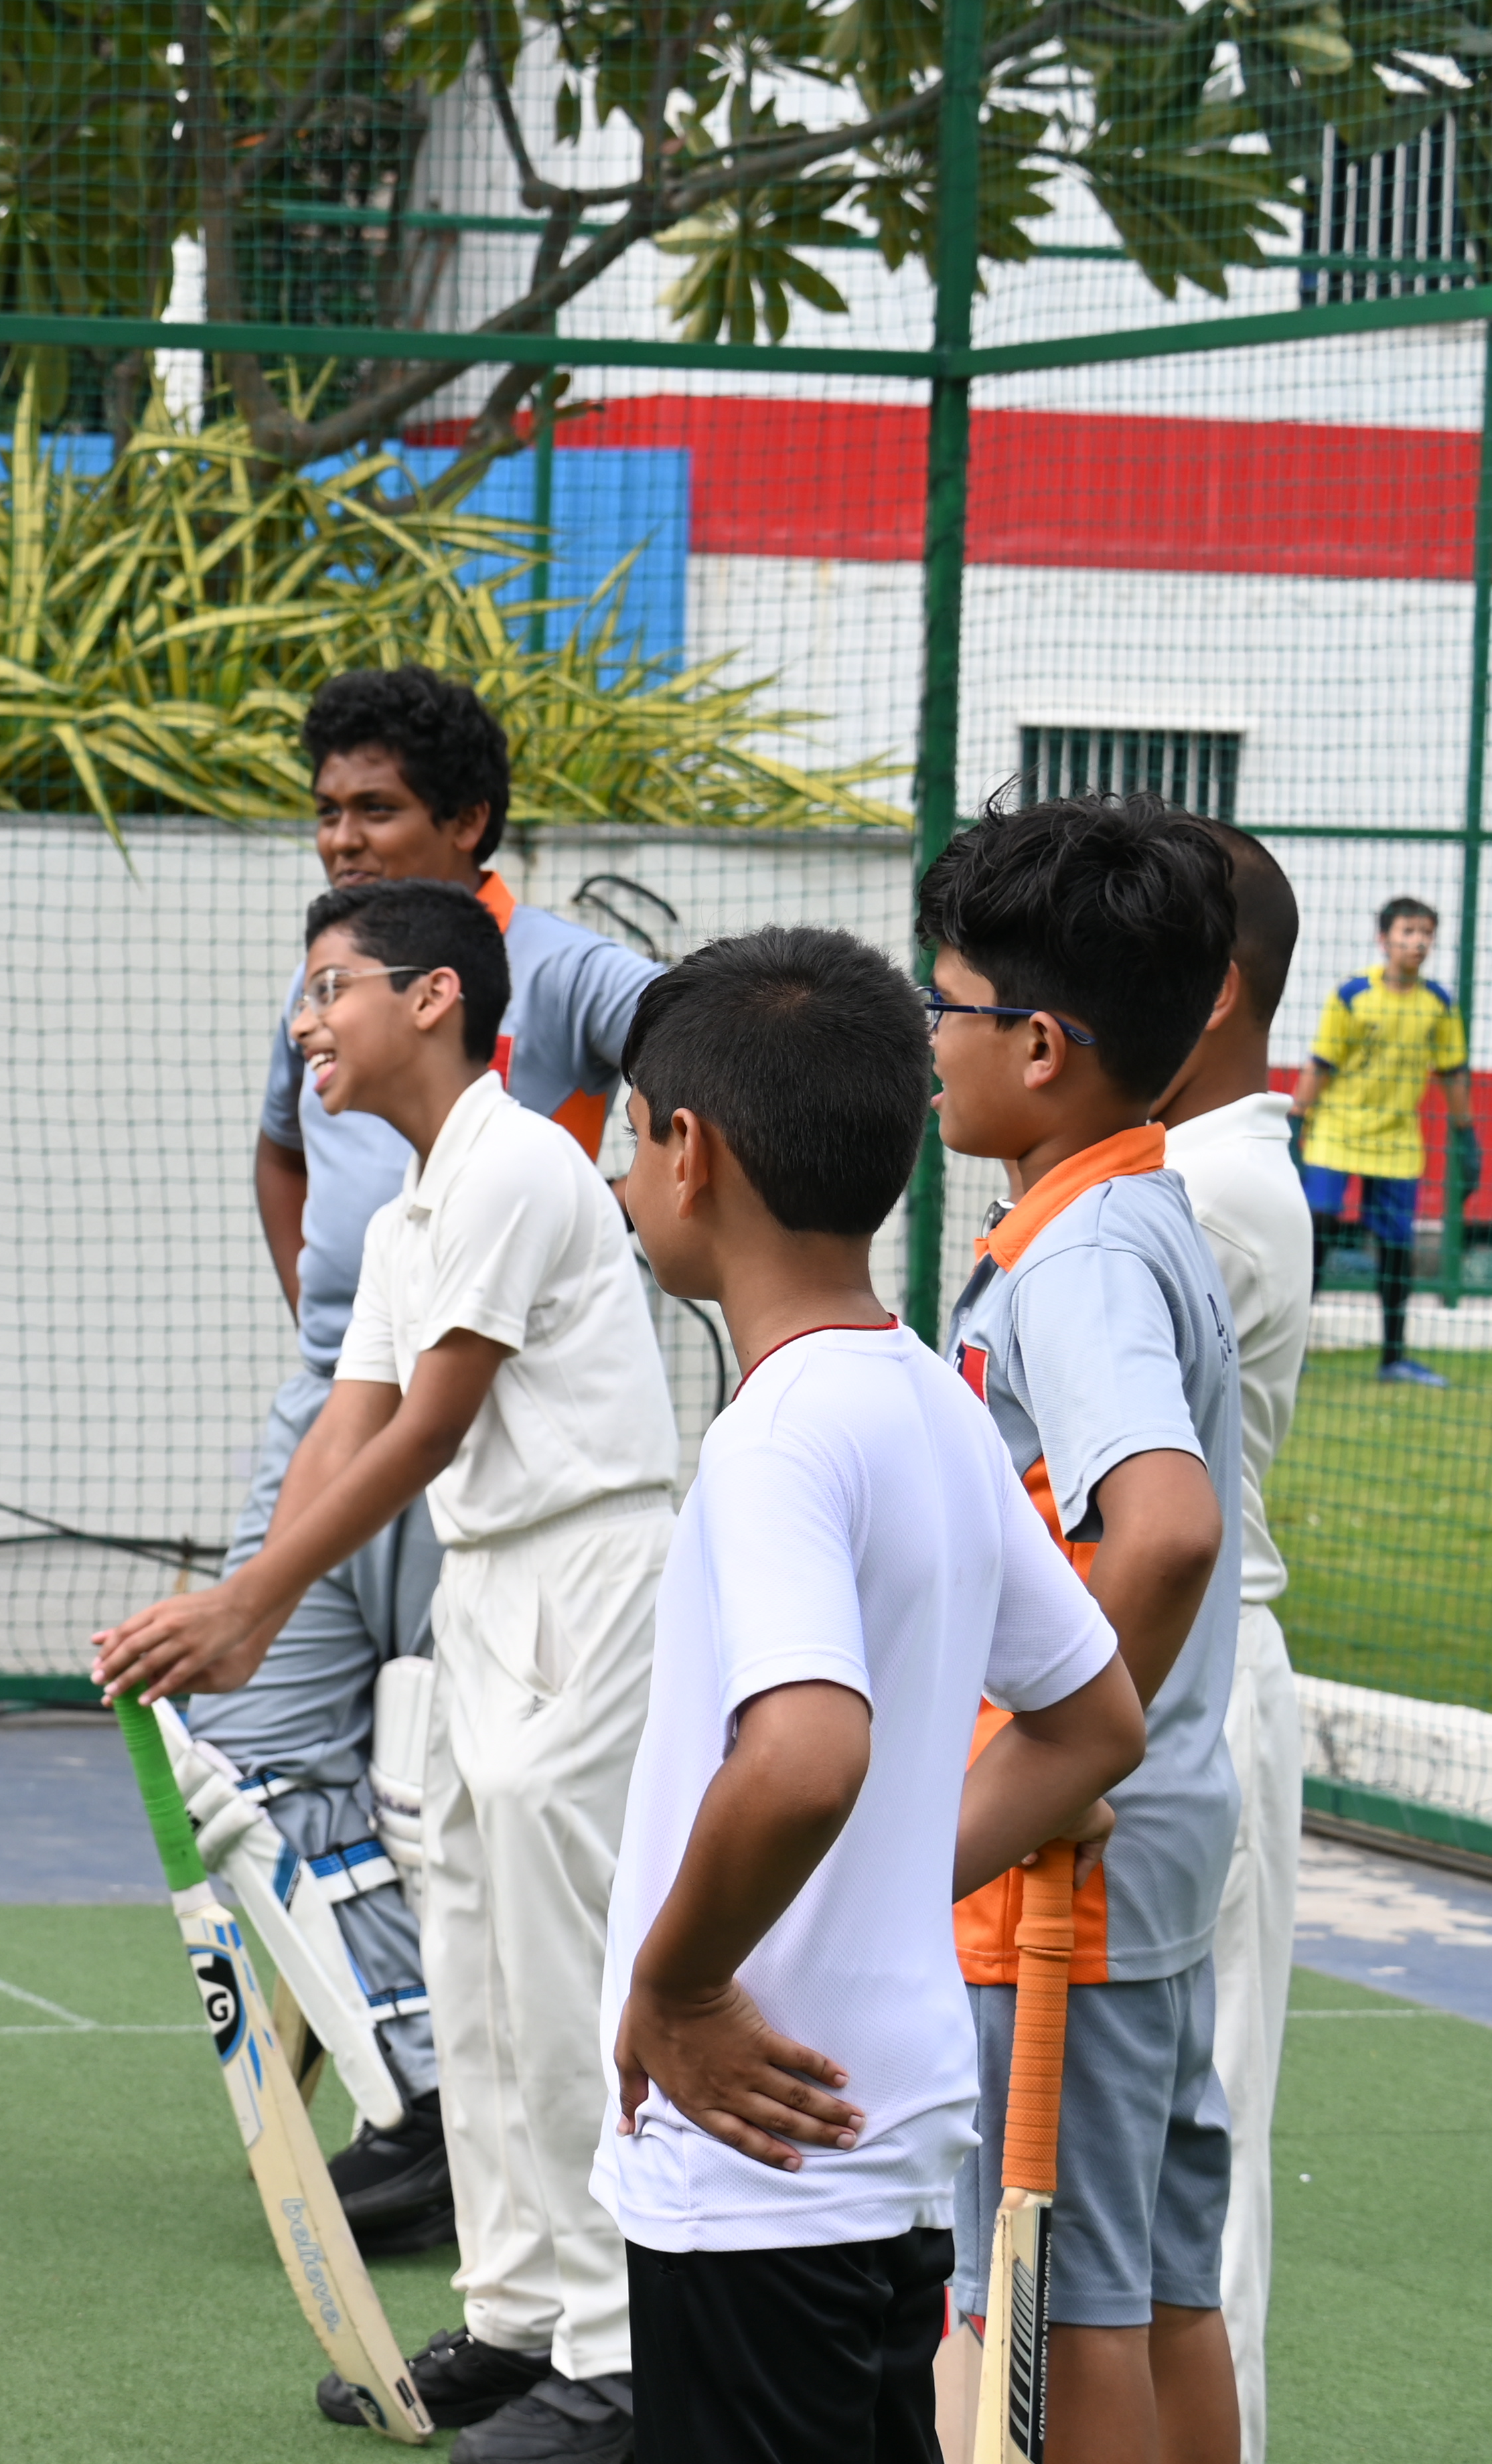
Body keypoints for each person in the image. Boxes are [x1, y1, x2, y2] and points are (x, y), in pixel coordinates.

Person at [96, 879, 674, 2464]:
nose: (303, 1023)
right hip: (493, 1589)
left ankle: (625, 2357)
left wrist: (250, 1608)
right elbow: (349, 1419)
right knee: (479, 1974)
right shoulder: (408, 1207)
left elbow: (428, 1423)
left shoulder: (520, 1165)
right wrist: (238, 1606)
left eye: (330, 986)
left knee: (564, 1978)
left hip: (583, 1575)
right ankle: (519, 2321)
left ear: (432, 998)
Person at [590, 926, 1144, 2464]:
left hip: (757, 2155)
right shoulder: (924, 1391)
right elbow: (1092, 1726)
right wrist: (900, 1881)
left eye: (634, 1136)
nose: (627, 1175)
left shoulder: (775, 1436)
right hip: (885, 2138)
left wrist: (680, 1981)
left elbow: (803, 1753)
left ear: (688, 1152)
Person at [194, 665, 658, 2281]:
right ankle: (438, 2091)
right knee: (242, 1748)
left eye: (373, 809)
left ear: (466, 825)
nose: (337, 837)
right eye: (322, 809)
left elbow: (708, 1052)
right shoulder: (330, 990)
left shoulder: (558, 979)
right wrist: (337, 1318)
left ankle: (518, 2164)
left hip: (490, 1452)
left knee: (495, 1799)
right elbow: (282, 1155)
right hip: (352, 1399)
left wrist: (626, 1200)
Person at [920, 793, 1246, 2464]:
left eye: (943, 1006)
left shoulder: (1078, 1260)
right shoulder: (1119, 1207)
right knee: (1160, 2277)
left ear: (1037, 1044)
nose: (928, 1040)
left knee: (1058, 2299)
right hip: (1158, 1846)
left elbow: (1166, 1521)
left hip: (1079, 1869)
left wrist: (1061, 1742)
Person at [1152, 820, 1307, 2464]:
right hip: (1166, 1679)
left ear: (1198, 995)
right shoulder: (1174, 1177)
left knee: (1196, 2151)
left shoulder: (1203, 1194)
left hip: (1194, 1680)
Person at [1292, 893, 1471, 1385]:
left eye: (1426, 933)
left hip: (1397, 1143)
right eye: (1408, 932)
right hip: (1336, 1134)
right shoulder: (1351, 995)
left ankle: (1394, 1358)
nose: (1418, 942)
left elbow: (1454, 1073)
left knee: (1396, 1249)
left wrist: (1467, 1135)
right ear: (1384, 938)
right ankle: (1292, 1346)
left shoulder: (1438, 1004)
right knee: (1318, 1232)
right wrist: (1295, 1124)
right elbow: (1319, 1064)